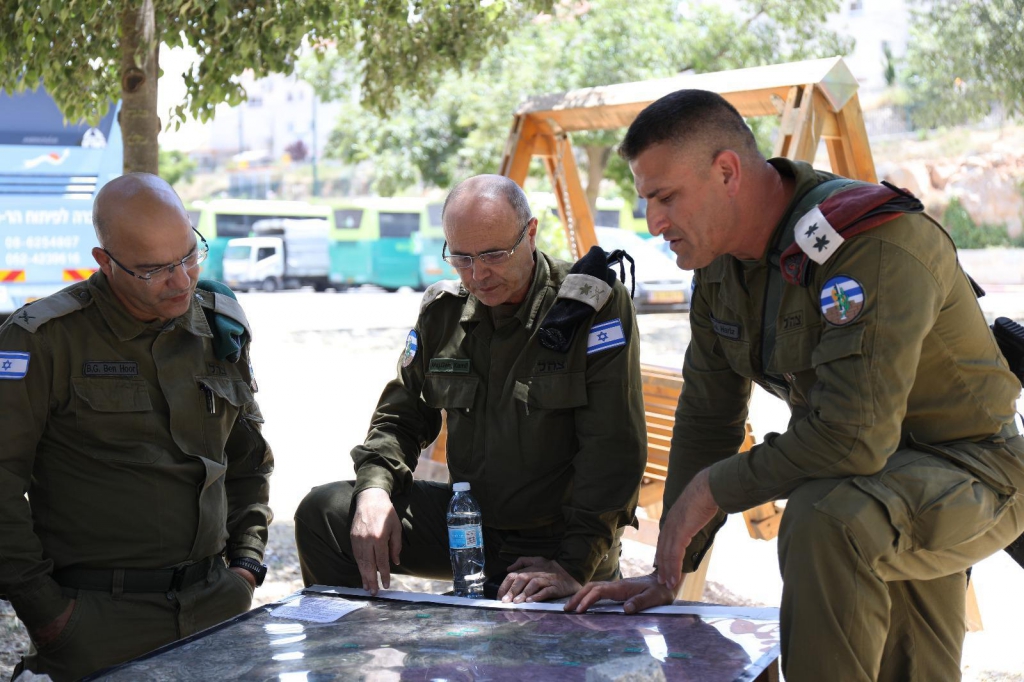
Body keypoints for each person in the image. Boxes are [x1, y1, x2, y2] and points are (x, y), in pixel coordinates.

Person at [566, 90, 1024, 682]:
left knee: (824, 517)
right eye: (646, 200)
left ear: (726, 171)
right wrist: (669, 566)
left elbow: (852, 436)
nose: (654, 223)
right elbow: (707, 416)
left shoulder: (867, 243)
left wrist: (713, 487)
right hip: (873, 485)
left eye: (666, 197)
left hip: (971, 469)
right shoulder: (720, 262)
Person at [295, 174, 646, 603]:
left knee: (508, 637)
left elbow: (613, 448)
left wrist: (573, 566)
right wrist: (375, 488)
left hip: (559, 542)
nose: (478, 274)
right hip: (468, 526)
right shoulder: (445, 311)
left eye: (494, 255)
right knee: (325, 513)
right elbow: (401, 416)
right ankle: (349, 641)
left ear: (530, 233)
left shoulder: (590, 305)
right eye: (461, 258)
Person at [0, 173, 274, 681]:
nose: (182, 281)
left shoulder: (217, 326)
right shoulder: (42, 340)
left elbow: (249, 458)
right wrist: (47, 612)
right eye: (154, 270)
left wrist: (246, 564)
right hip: (98, 620)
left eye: (189, 256)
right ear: (105, 262)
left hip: (218, 605)